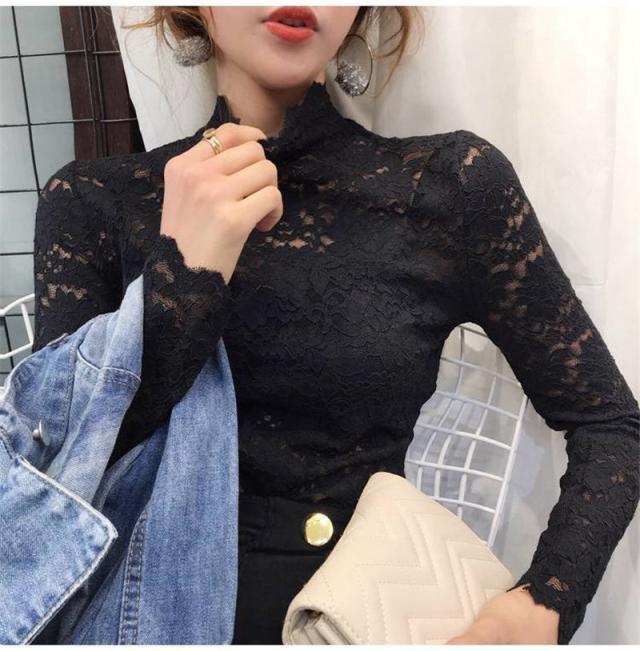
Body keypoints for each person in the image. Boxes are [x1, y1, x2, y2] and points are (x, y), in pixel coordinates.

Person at [31, 5, 639, 646]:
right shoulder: (95, 201)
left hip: (350, 617)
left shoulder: (446, 185)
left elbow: (608, 424)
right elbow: (58, 474)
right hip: (135, 616)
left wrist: (539, 608)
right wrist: (183, 270)